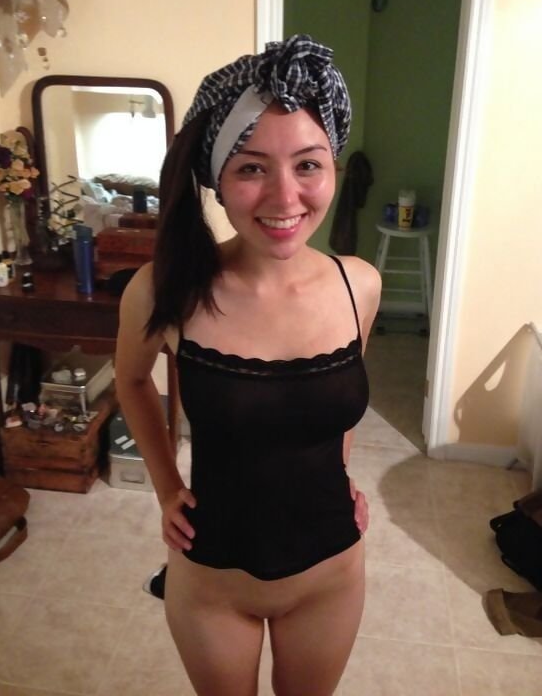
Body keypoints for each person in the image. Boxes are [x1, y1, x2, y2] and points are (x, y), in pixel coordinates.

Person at [115, 34, 381, 696]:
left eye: (309, 164)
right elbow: (131, 379)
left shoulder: (359, 285)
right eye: (252, 168)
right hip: (212, 585)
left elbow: (336, 401)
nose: (286, 198)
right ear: (215, 178)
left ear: (332, 168)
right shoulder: (165, 290)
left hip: (330, 577)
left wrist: (339, 470)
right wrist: (165, 487)